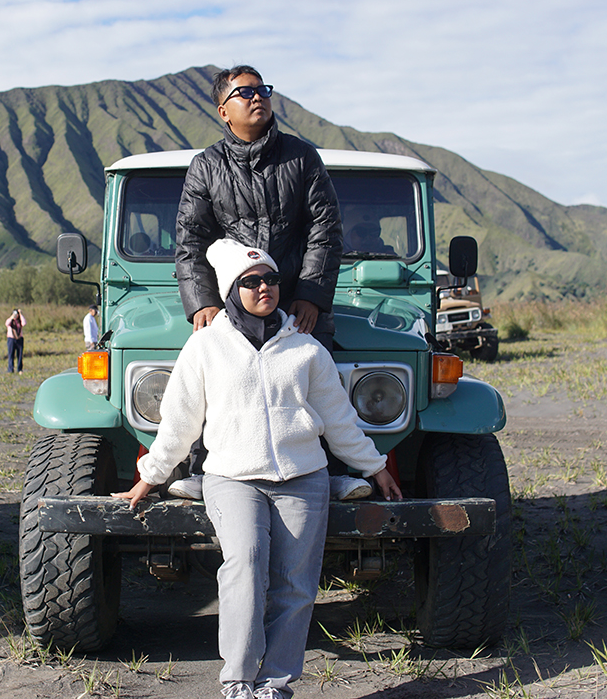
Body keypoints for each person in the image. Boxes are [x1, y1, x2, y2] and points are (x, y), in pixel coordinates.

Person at [114, 239, 403, 699]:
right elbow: (180, 421)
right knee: (244, 566)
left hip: (303, 478)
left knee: (297, 584)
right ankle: (238, 679)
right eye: (251, 282)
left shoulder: (306, 349)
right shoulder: (205, 347)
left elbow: (339, 419)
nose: (264, 287)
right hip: (232, 477)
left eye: (271, 279)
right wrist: (150, 476)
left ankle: (276, 685)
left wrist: (375, 467)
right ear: (232, 290)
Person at [172, 64, 368, 502]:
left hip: (295, 297)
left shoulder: (302, 157)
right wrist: (203, 302)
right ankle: (203, 470)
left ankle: (333, 473)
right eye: (245, 92)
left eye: (262, 89)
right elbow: (191, 239)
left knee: (316, 380)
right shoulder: (206, 166)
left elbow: (325, 229)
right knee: (215, 376)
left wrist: (312, 295)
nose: (257, 97)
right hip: (232, 303)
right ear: (224, 110)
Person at [5, 308, 25, 373]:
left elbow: (24, 323)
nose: (16, 315)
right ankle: (10, 369)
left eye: (17, 314)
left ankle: (19, 369)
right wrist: (12, 317)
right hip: (11, 339)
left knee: (20, 355)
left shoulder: (20, 321)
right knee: (11, 354)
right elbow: (7, 323)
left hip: (19, 339)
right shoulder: (10, 321)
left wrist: (21, 314)